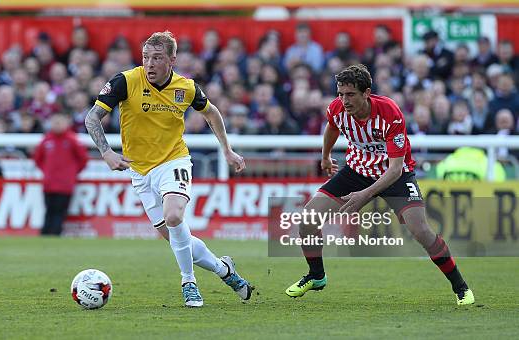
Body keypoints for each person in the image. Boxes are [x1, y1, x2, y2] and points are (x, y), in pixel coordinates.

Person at [85, 31, 253, 307]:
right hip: (139, 171)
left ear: (172, 60)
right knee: (179, 238)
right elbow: (93, 117)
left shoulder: (185, 88)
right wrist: (106, 152)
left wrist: (227, 149)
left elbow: (211, 113)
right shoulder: (126, 81)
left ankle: (189, 283)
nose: (149, 64)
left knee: (174, 217)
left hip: (173, 161)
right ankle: (225, 270)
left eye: (157, 58)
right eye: (145, 57)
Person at [284, 64, 475, 306]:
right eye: (340, 94)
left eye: (350, 94)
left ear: (366, 93)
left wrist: (365, 195)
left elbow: (395, 168)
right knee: (308, 221)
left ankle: (461, 287)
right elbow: (332, 128)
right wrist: (325, 156)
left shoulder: (389, 112)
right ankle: (316, 276)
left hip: (395, 175)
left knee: (421, 231)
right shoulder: (337, 108)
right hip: (356, 170)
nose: (344, 100)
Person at [34, 112, 88, 236]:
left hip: (65, 185)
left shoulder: (72, 140)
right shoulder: (47, 140)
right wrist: (47, 171)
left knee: (59, 212)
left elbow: (83, 159)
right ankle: (45, 235)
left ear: (66, 123)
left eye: (59, 122)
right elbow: (38, 159)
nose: (57, 124)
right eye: (54, 122)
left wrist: (72, 173)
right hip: (49, 184)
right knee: (49, 210)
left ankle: (54, 235)